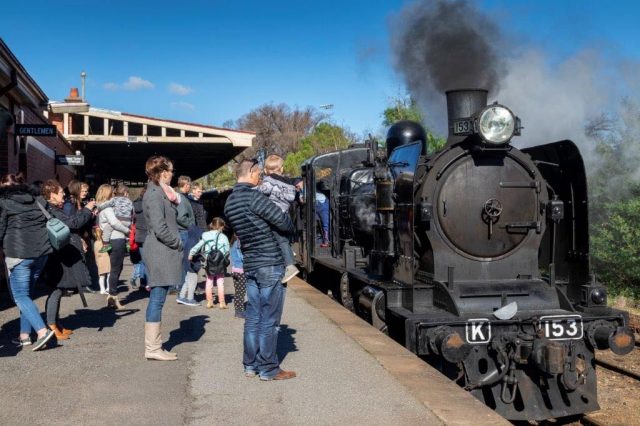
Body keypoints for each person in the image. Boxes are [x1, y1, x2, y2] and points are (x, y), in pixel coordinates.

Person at [224, 159, 296, 381]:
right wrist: (288, 220)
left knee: (253, 316)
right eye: (258, 175)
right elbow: (282, 222)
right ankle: (269, 369)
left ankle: (250, 365)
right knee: (270, 319)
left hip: (251, 263)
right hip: (270, 262)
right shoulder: (255, 197)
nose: (260, 179)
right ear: (252, 172)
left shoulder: (229, 202)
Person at [0, 173, 55, 350]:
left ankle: (42, 332)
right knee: (27, 294)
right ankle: (24, 335)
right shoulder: (38, 199)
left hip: (19, 255)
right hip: (41, 253)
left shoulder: (4, 202)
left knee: (20, 296)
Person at [42, 179, 96, 340]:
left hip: (59, 253)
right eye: (60, 193)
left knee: (59, 288)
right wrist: (86, 210)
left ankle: (55, 323)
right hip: (57, 255)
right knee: (56, 289)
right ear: (52, 195)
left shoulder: (53, 209)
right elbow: (73, 223)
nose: (63, 195)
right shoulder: (52, 210)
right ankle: (51, 324)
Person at [142, 155, 183, 361]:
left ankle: (155, 346)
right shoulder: (155, 194)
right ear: (163, 172)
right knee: (157, 299)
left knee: (157, 298)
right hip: (159, 251)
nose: (172, 174)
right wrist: (176, 242)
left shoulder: (159, 192)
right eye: (171, 171)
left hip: (161, 250)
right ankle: (152, 348)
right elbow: (159, 227)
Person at [257, 154, 300, 283]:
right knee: (282, 238)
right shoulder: (288, 182)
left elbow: (263, 190)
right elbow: (292, 197)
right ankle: (288, 253)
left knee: (277, 239)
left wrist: (257, 187)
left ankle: (290, 266)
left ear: (265, 170)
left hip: (272, 214)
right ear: (281, 169)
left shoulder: (268, 179)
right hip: (284, 215)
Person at [97, 184, 130, 308]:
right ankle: (113, 297)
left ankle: (112, 296)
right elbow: (115, 223)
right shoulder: (108, 209)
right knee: (116, 269)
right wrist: (128, 231)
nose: (115, 195)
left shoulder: (102, 208)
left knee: (116, 268)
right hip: (116, 239)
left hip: (111, 239)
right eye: (113, 193)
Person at [188, 217, 230, 309]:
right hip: (220, 262)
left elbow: (198, 246)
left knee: (209, 281)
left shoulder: (205, 235)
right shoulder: (223, 237)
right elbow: (227, 250)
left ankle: (209, 301)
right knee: (220, 282)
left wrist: (191, 253)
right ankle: (222, 303)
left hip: (208, 262)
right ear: (221, 227)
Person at [175, 175, 195, 294]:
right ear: (185, 185)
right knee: (184, 260)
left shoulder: (180, 197)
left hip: (181, 231)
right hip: (184, 232)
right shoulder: (182, 199)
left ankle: (179, 286)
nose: (190, 187)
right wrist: (191, 225)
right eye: (189, 185)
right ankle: (182, 286)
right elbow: (181, 217)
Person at [93, 184, 114, 295]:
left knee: (102, 266)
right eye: (112, 193)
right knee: (109, 266)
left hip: (98, 240)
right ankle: (106, 288)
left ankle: (103, 288)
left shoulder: (96, 207)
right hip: (105, 239)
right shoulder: (107, 208)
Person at [130, 185, 148, 290]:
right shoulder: (149, 205)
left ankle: (142, 283)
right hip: (148, 234)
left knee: (142, 260)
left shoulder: (134, 204)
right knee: (148, 261)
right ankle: (146, 283)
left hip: (139, 235)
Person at [230, 234, 246, 319]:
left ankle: (238, 309)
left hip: (235, 270)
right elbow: (242, 257)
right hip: (241, 271)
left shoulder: (234, 243)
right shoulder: (239, 243)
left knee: (238, 291)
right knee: (241, 292)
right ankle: (239, 311)